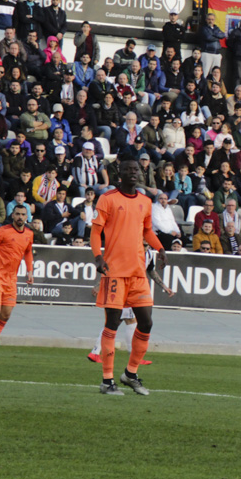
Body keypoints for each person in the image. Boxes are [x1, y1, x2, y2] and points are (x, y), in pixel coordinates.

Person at [90, 159, 167, 396]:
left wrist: (160, 248)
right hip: (114, 272)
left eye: (136, 169)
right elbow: (95, 231)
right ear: (118, 173)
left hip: (137, 273)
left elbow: (146, 231)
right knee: (112, 324)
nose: (132, 172)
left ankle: (130, 374)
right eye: (128, 169)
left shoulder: (145, 201)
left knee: (146, 322)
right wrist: (97, 257)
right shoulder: (108, 198)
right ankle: (106, 381)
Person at [86, 245, 173, 364]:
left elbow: (150, 270)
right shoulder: (130, 251)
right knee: (125, 321)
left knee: (119, 321)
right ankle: (132, 356)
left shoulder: (149, 254)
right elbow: (112, 268)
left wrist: (164, 287)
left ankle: (95, 352)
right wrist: (99, 285)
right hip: (124, 288)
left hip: (134, 289)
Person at [0, 205, 35, 364]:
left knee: (6, 314)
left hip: (11, 279)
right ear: (12, 215)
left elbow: (28, 252)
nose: (20, 217)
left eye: (23, 214)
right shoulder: (2, 231)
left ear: (27, 216)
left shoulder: (29, 234)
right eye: (17, 214)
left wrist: (30, 271)